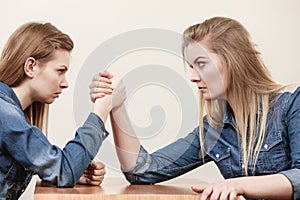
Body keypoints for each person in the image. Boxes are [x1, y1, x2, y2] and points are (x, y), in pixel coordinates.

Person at [90, 16, 300, 200]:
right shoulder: (214, 130)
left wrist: (238, 184)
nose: (192, 77)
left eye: (201, 63)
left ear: (233, 60)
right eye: (191, 66)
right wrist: (116, 105)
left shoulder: (291, 104)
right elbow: (142, 171)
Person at [0, 21, 125, 200]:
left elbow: (62, 170)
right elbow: (65, 170)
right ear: (31, 67)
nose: (65, 83)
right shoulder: (5, 114)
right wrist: (101, 111)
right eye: (60, 71)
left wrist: (75, 170)